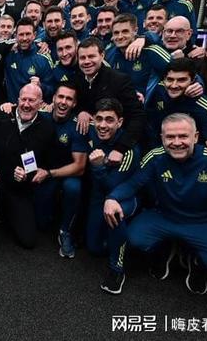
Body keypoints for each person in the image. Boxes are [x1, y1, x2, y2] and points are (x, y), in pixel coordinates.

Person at [104, 113, 207, 294]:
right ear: (162, 138)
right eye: (170, 137)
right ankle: (164, 248)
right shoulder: (155, 156)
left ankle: (196, 260)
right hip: (164, 217)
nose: (177, 142)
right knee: (134, 240)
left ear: (195, 137)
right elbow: (133, 183)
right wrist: (112, 198)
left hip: (201, 222)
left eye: (183, 136)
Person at [0, 84, 58, 260]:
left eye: (32, 101)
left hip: (19, 188)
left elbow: (45, 163)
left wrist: (29, 174)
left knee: (28, 240)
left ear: (41, 103)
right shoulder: (0, 116)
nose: (26, 104)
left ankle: (2, 210)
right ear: (17, 100)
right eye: (23, 99)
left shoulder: (47, 128)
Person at [86, 99, 140, 294]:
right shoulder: (91, 133)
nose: (102, 125)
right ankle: (117, 240)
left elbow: (113, 187)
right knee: (94, 248)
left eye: (109, 120)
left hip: (122, 198)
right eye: (99, 119)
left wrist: (99, 166)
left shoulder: (129, 150)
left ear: (120, 122)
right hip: (97, 198)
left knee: (115, 212)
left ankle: (117, 268)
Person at [34, 83, 88, 259]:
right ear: (54, 98)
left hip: (66, 173)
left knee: (73, 188)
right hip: (43, 172)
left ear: (74, 104)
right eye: (61, 97)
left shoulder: (77, 125)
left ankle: (66, 230)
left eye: (69, 99)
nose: (64, 102)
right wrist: (7, 105)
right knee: (41, 224)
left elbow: (79, 167)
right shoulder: (40, 116)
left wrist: (50, 173)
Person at [73, 37, 146, 160]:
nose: (86, 61)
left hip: (118, 145)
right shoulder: (78, 78)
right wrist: (81, 111)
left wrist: (120, 148)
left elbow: (137, 116)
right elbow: (77, 102)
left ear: (102, 56)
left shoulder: (119, 80)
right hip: (91, 143)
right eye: (82, 58)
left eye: (91, 56)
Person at [146, 59, 207, 147]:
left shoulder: (206, 109)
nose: (174, 85)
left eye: (181, 80)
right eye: (170, 80)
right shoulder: (159, 91)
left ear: (193, 81)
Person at [105, 13, 170, 98]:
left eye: (125, 31)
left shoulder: (151, 51)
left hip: (148, 105)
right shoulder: (109, 54)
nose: (120, 37)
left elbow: (177, 69)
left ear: (135, 31)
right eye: (116, 33)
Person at [4, 17, 54, 103]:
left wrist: (41, 86)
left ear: (34, 35)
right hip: (12, 107)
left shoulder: (44, 57)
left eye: (28, 34)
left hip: (34, 109)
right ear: (15, 36)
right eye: (21, 34)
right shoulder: (7, 54)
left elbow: (52, 89)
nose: (24, 38)